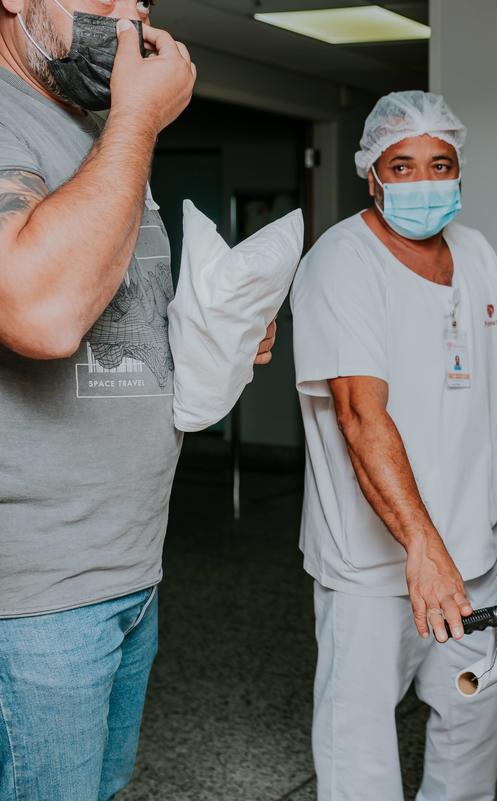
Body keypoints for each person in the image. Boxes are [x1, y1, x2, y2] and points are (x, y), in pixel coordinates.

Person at [0, 2, 275, 800]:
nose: (129, 17)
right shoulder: (57, 124)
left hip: (125, 571)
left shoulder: (92, 134)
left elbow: (103, 303)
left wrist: (205, 333)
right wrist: (139, 119)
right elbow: (41, 314)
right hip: (36, 597)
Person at [290, 90, 497, 801]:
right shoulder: (343, 263)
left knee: (472, 728)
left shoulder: (476, 253)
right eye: (403, 166)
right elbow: (360, 416)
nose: (424, 181)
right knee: (359, 753)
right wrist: (422, 548)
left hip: (475, 556)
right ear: (372, 173)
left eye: (441, 163)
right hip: (372, 569)